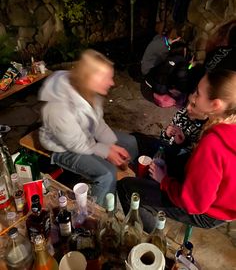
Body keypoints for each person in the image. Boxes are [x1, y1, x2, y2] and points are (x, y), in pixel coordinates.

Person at [118, 68, 236, 232]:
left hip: (210, 210)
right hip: (213, 194)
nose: (192, 97)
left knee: (126, 188)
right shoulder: (228, 123)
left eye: (198, 94)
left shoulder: (213, 143)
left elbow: (195, 203)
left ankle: (150, 242)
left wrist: (164, 180)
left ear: (215, 104)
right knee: (152, 146)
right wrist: (183, 143)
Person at [39, 49, 138, 206]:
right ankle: (94, 217)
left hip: (85, 137)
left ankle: (126, 187)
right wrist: (107, 152)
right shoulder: (58, 107)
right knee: (107, 174)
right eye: (107, 78)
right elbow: (76, 144)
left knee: (130, 142)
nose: (112, 83)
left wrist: (111, 144)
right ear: (91, 77)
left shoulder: (90, 92)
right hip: (63, 148)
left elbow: (97, 122)